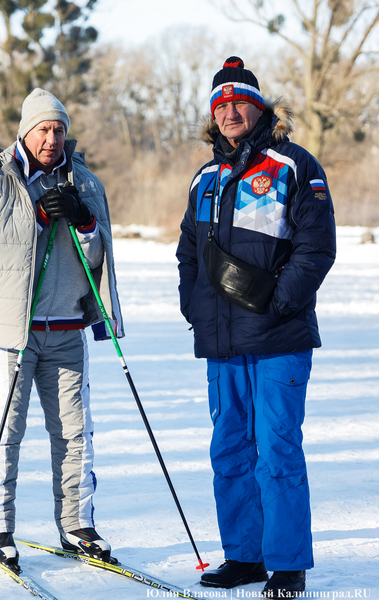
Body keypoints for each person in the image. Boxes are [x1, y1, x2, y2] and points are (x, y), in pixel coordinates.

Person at [0, 88, 124, 570]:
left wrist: (83, 224)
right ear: (25, 131)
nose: (52, 138)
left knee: (75, 434)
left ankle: (77, 523)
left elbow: (100, 259)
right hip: (9, 336)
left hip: (66, 329)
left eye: (59, 129)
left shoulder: (85, 183)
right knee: (4, 432)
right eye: (43, 128)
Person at [177, 58, 336, 599]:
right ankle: (243, 556)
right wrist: (193, 306)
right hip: (221, 343)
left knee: (278, 453)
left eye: (239, 103)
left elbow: (316, 249)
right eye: (220, 106)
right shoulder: (206, 177)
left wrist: (280, 306)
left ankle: (287, 564)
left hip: (277, 341)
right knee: (229, 452)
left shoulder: (294, 165)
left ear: (260, 108)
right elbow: (187, 254)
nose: (229, 113)